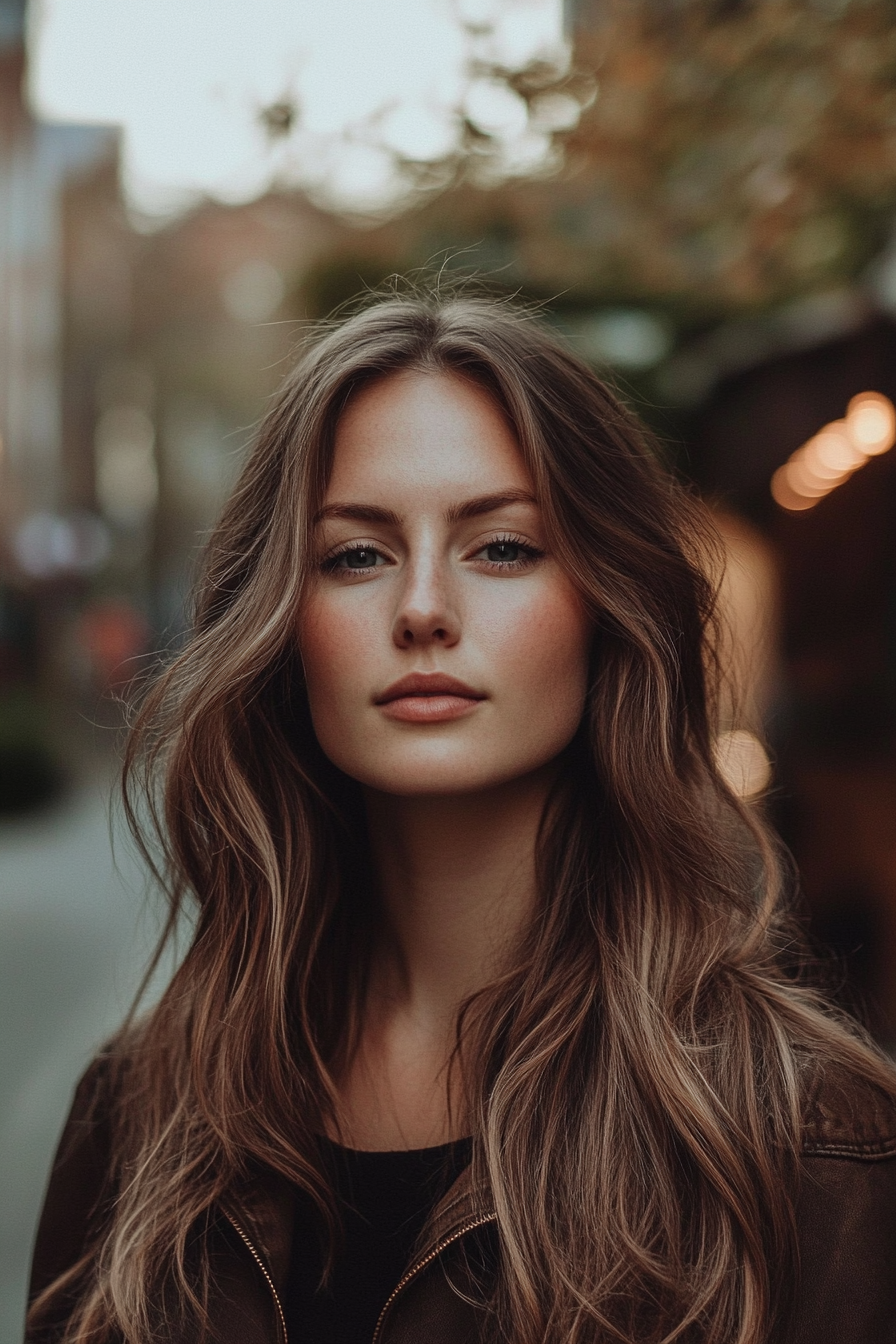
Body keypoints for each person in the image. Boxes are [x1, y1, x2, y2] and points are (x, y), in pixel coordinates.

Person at [26, 292, 896, 1344]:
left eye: (501, 548)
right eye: (356, 555)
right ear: (280, 627)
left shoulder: (807, 1140)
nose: (422, 607)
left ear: (603, 607)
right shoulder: (136, 1115)